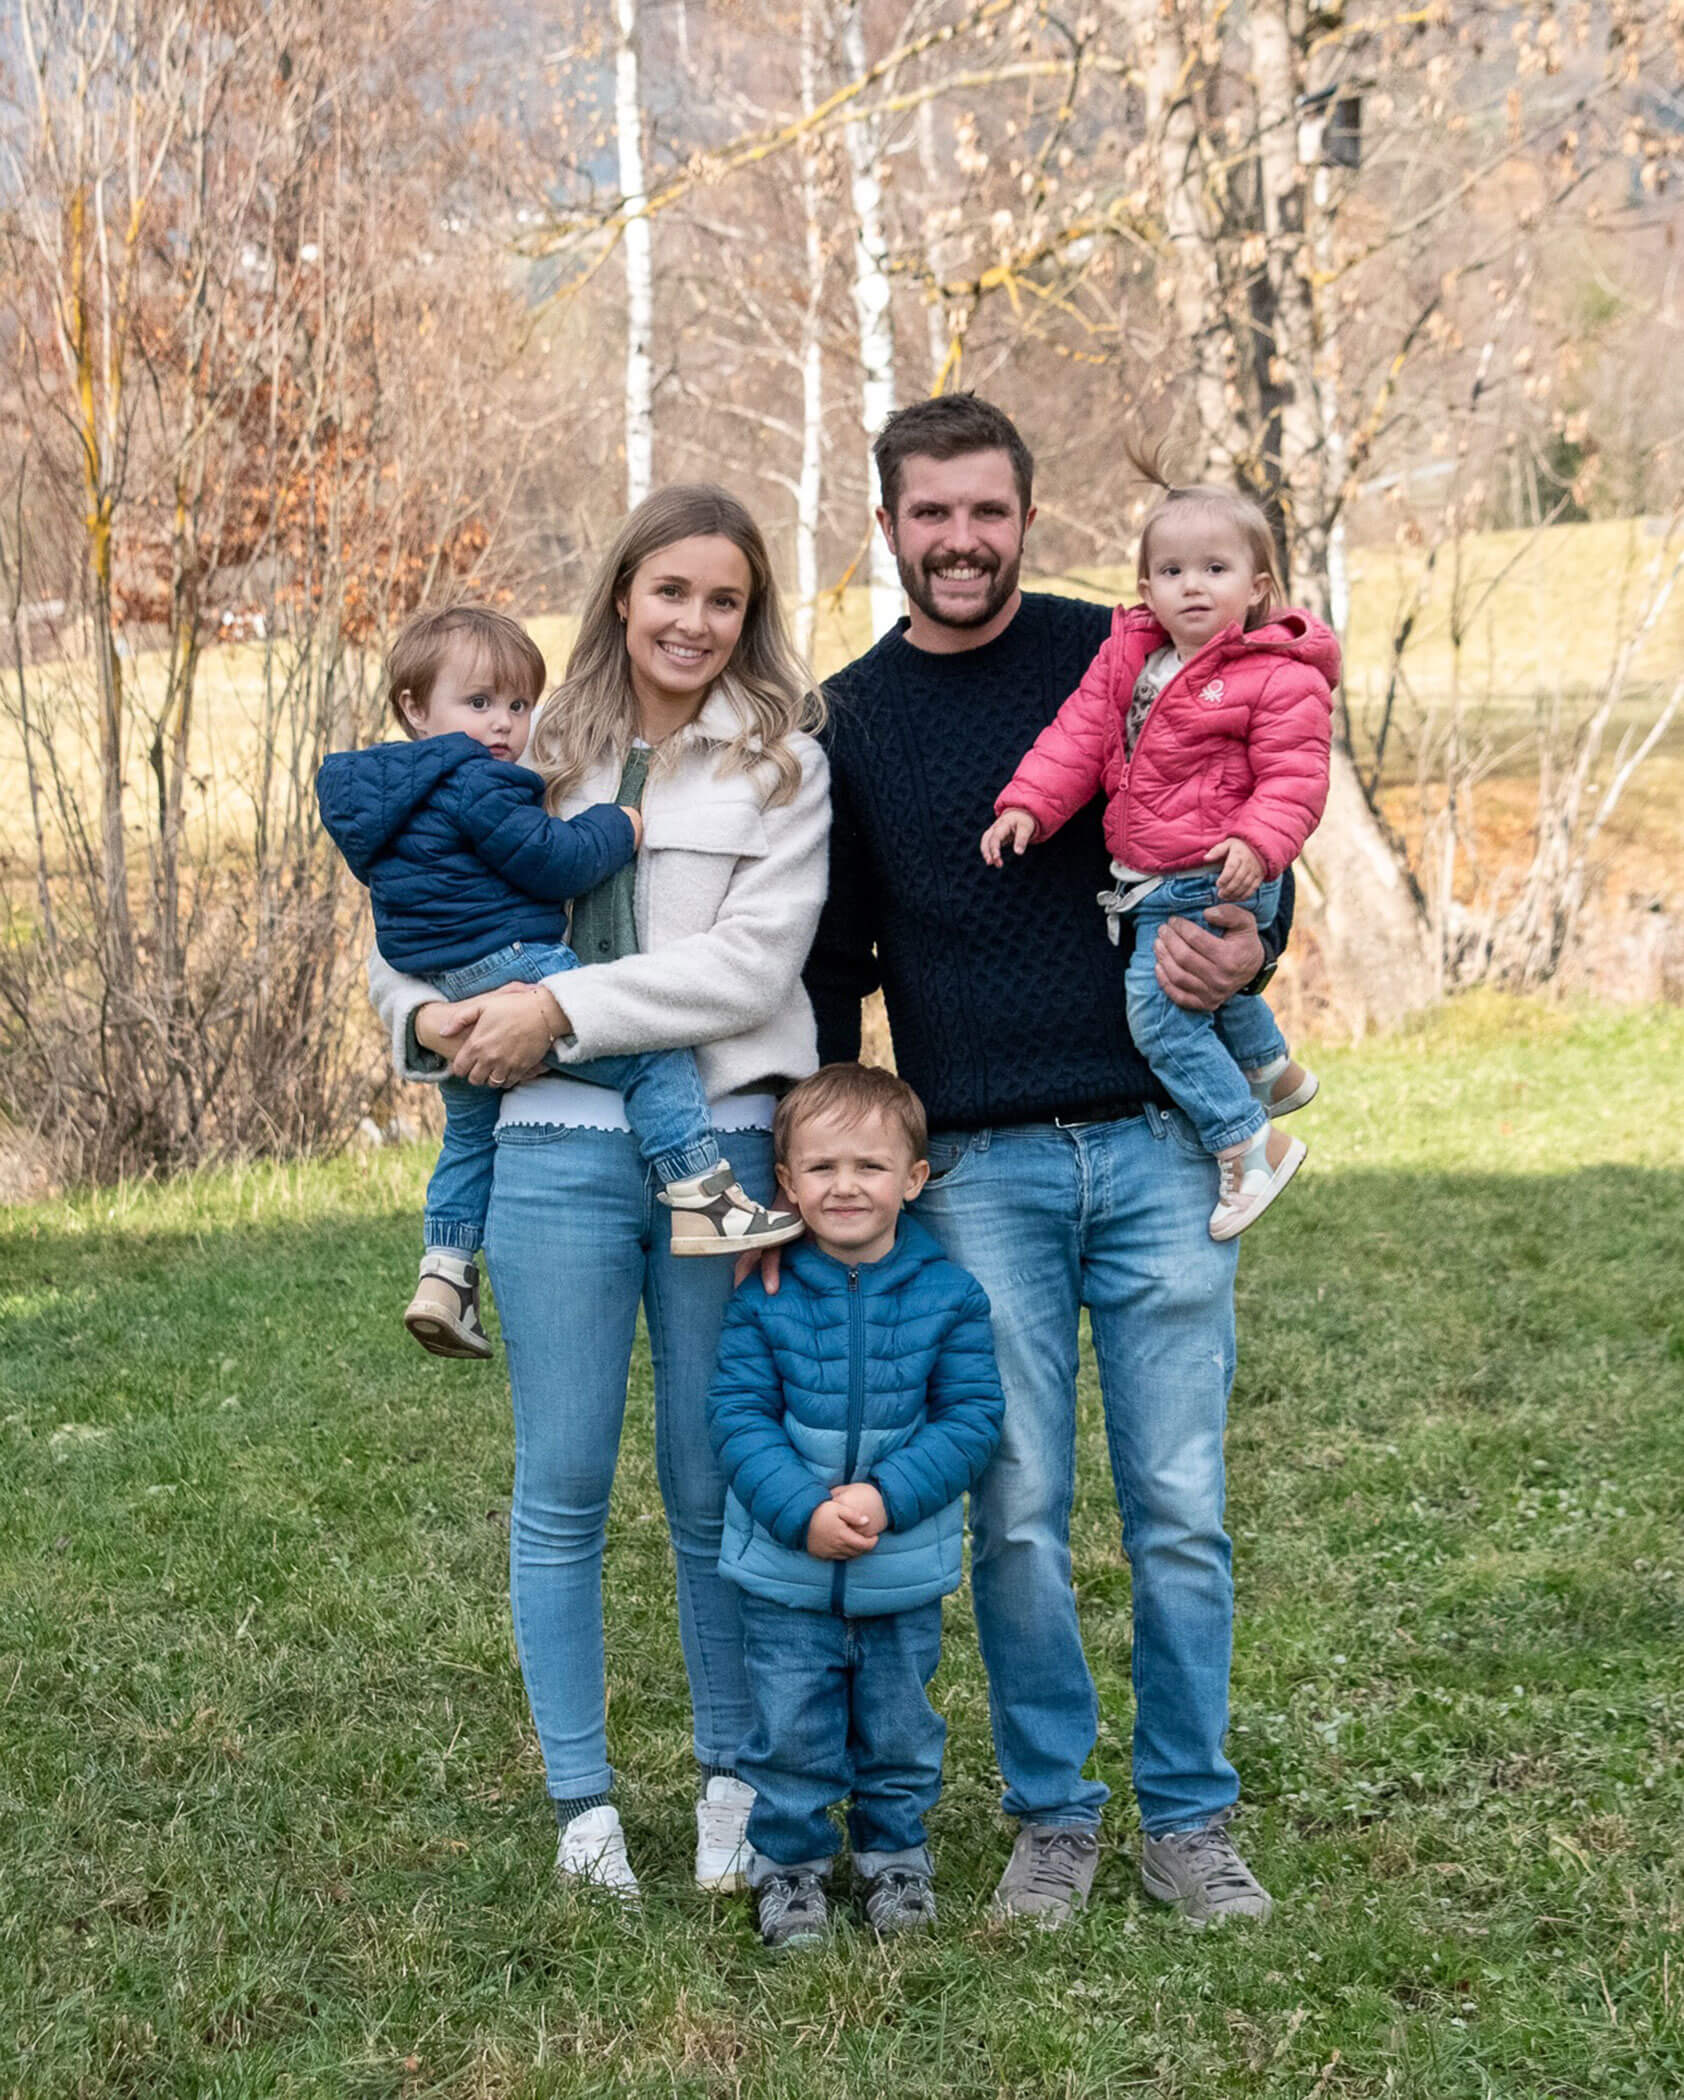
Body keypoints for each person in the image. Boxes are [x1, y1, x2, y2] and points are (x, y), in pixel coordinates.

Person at [805, 393, 1291, 1928]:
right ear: (888, 527)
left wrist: (1254, 938)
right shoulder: (851, 720)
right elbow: (833, 967)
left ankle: (1191, 1821)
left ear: (1027, 516)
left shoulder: (1131, 653)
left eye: (988, 511)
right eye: (930, 513)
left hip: (1159, 1147)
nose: (961, 540)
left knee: (1179, 1505)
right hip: (978, 1174)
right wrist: (829, 1151)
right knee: (1010, 1512)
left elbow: (1254, 836)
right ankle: (1055, 1818)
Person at [366, 486, 831, 1898]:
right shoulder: (522, 739)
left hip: (722, 1151)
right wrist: (431, 1022)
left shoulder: (781, 769)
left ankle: (729, 1787)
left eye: (725, 599)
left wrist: (555, 1004)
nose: (694, 621)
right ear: (621, 594)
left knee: (712, 1487)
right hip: (553, 1150)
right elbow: (414, 917)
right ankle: (583, 1809)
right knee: (561, 1485)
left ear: (750, 617)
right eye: (669, 591)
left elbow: (749, 970)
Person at [318, 607, 803, 1360]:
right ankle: (702, 1198)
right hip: (513, 968)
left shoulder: (390, 795)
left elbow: (400, 917)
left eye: (517, 704)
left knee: (468, 1134)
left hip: (454, 983)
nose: (506, 723)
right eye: (479, 704)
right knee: (652, 1051)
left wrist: (440, 1011)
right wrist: (621, 828)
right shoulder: (478, 779)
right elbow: (555, 860)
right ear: (415, 707)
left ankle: (444, 1271)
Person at [982, 466, 1336, 1239]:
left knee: (1164, 1020)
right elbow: (1077, 737)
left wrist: (1257, 839)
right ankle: (1270, 1071)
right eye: (1173, 572)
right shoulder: (1133, 658)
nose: (1194, 587)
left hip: (1215, 867)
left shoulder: (1277, 676)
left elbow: (1296, 777)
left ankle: (1248, 1142)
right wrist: (1028, 803)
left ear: (1258, 585)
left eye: (1217, 569)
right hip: (1156, 870)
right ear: (1146, 586)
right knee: (1203, 993)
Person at [708, 1063, 1003, 1948]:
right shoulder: (763, 1295)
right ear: (787, 1183)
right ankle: (790, 1868)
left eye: (871, 1168)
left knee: (900, 1730)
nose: (846, 1187)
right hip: (787, 1575)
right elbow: (737, 1417)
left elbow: (971, 1416)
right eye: (823, 1168)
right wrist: (802, 1511)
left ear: (913, 1180)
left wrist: (886, 1495)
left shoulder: (950, 1295)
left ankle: (894, 1860)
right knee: (788, 1730)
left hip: (898, 1570)